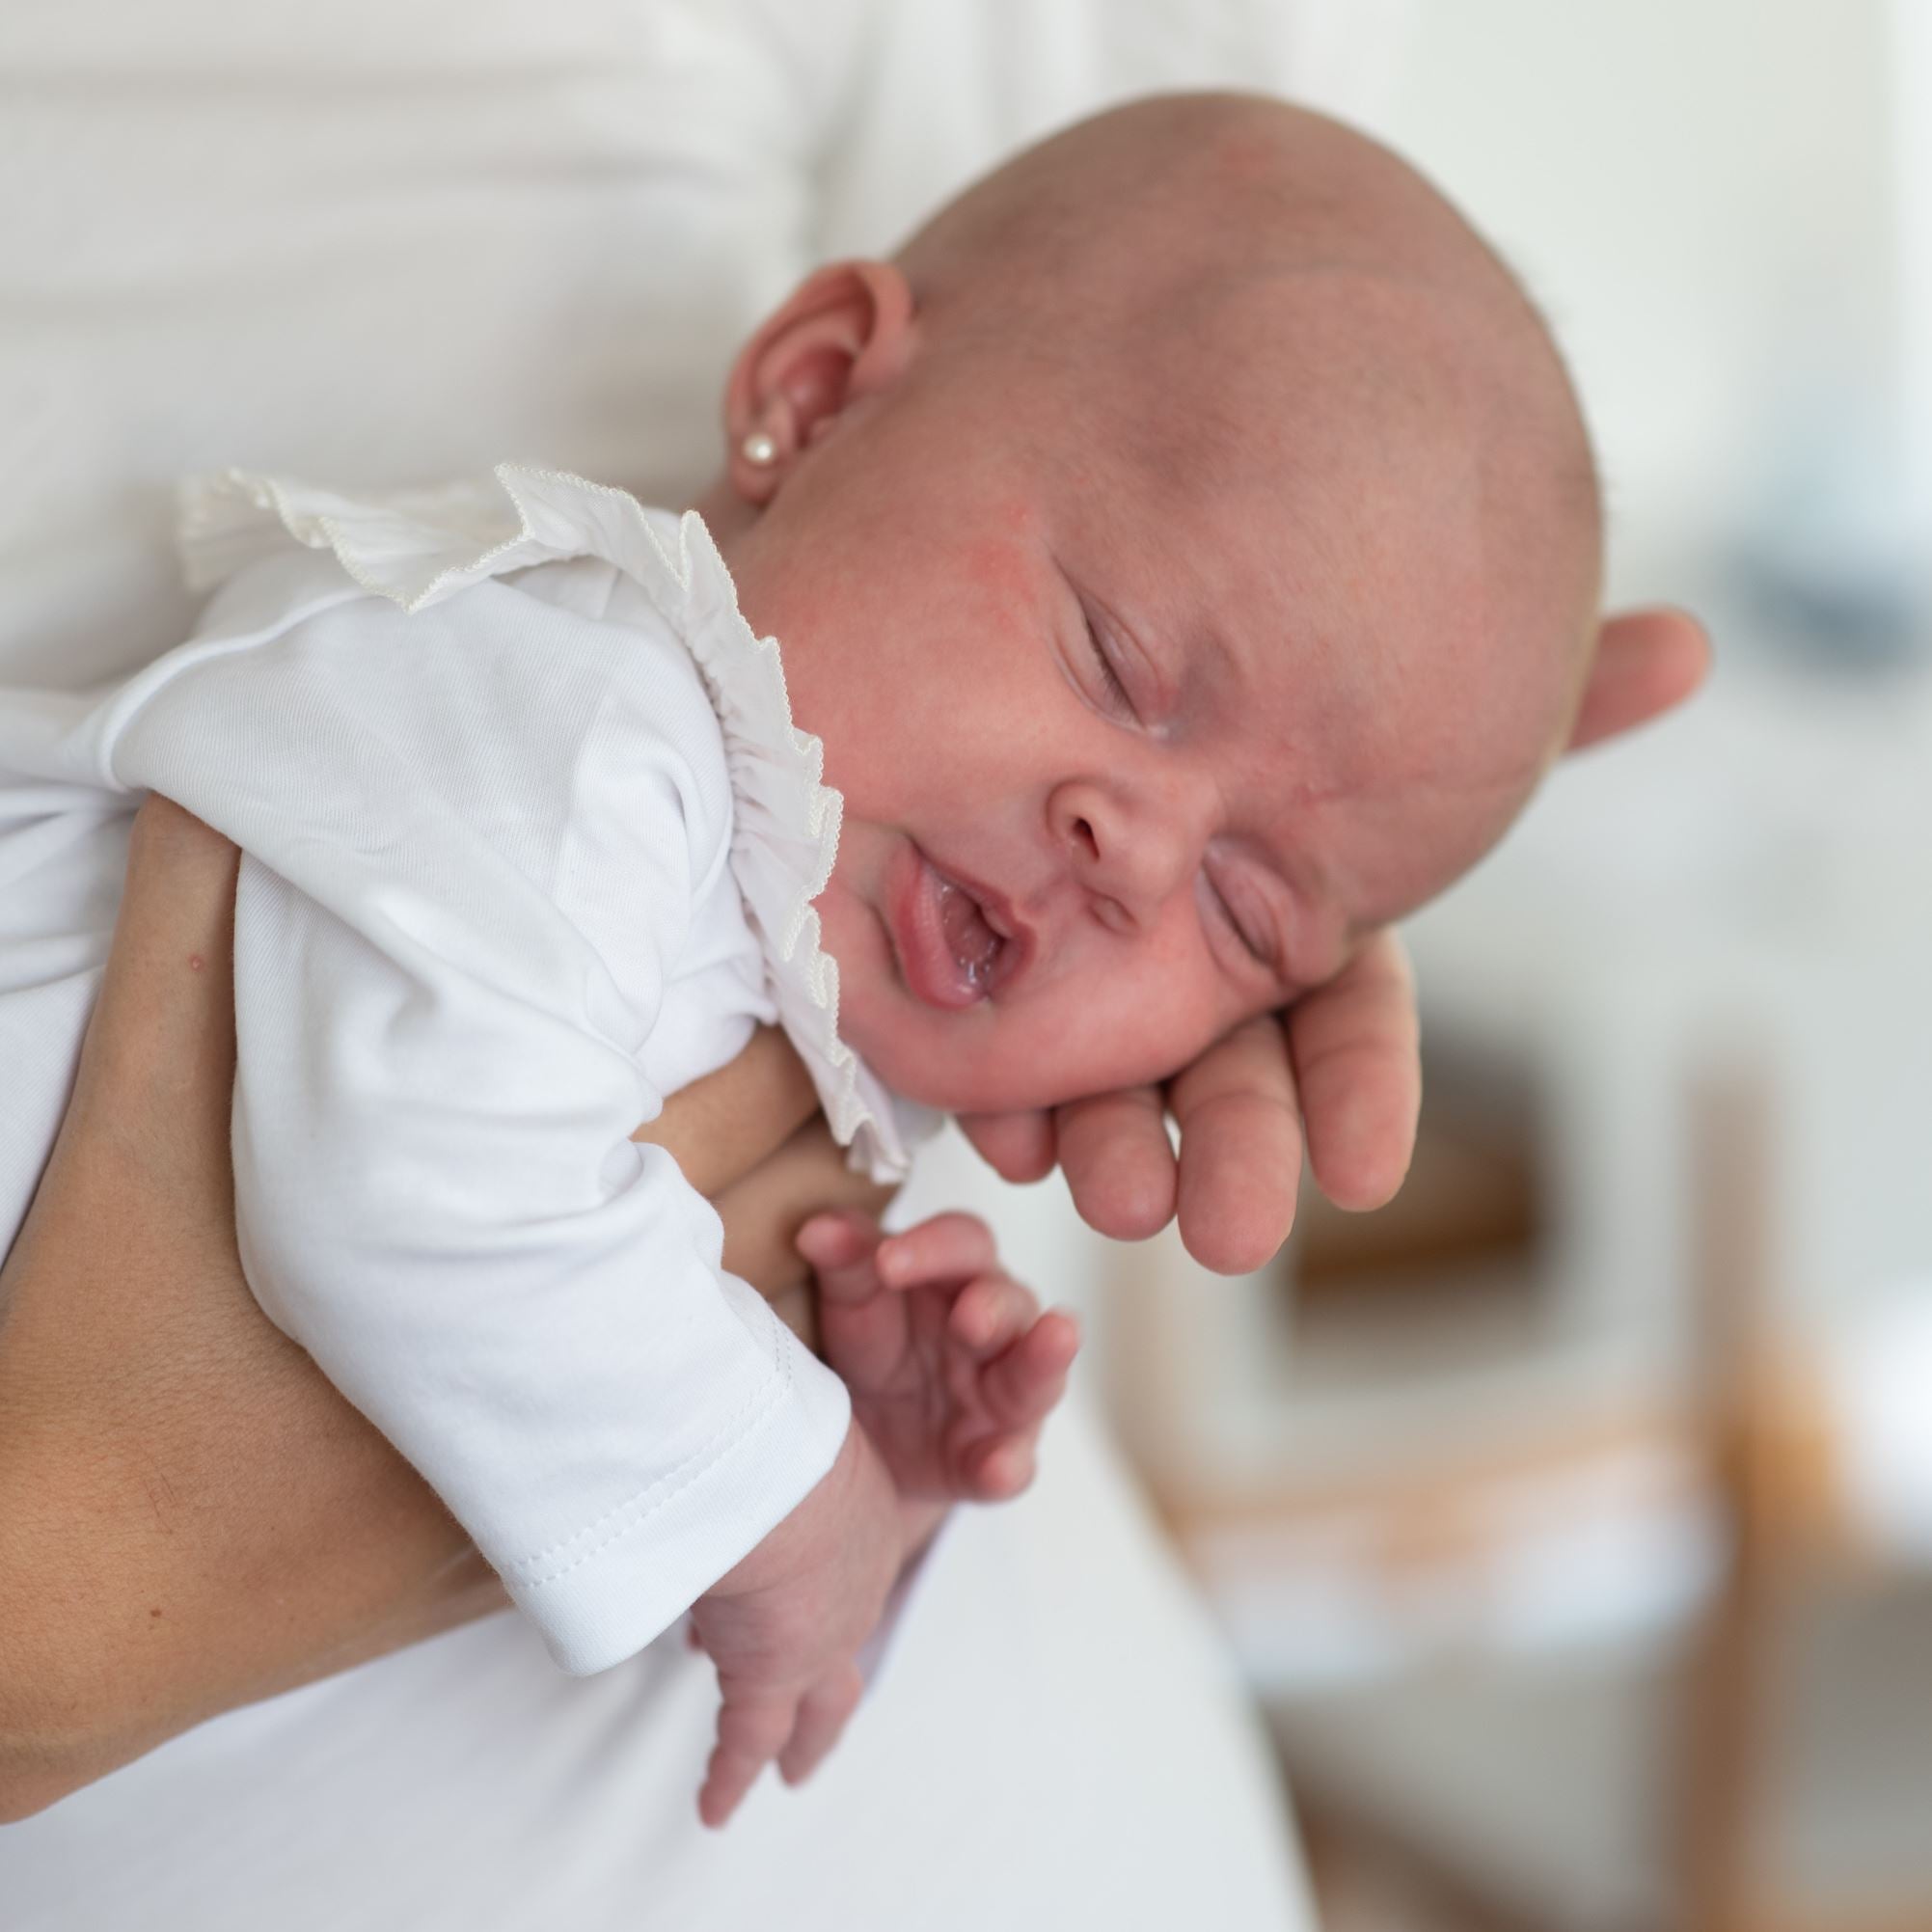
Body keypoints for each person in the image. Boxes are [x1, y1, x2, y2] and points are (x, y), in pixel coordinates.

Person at [0, 93, 1711, 1837]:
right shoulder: (570, 704)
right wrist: (775, 1488)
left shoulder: (764, 967)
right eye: (1117, 660)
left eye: (1253, 910)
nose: (1137, 853)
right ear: (813, 392)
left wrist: (820, 1402)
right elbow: (414, 1186)